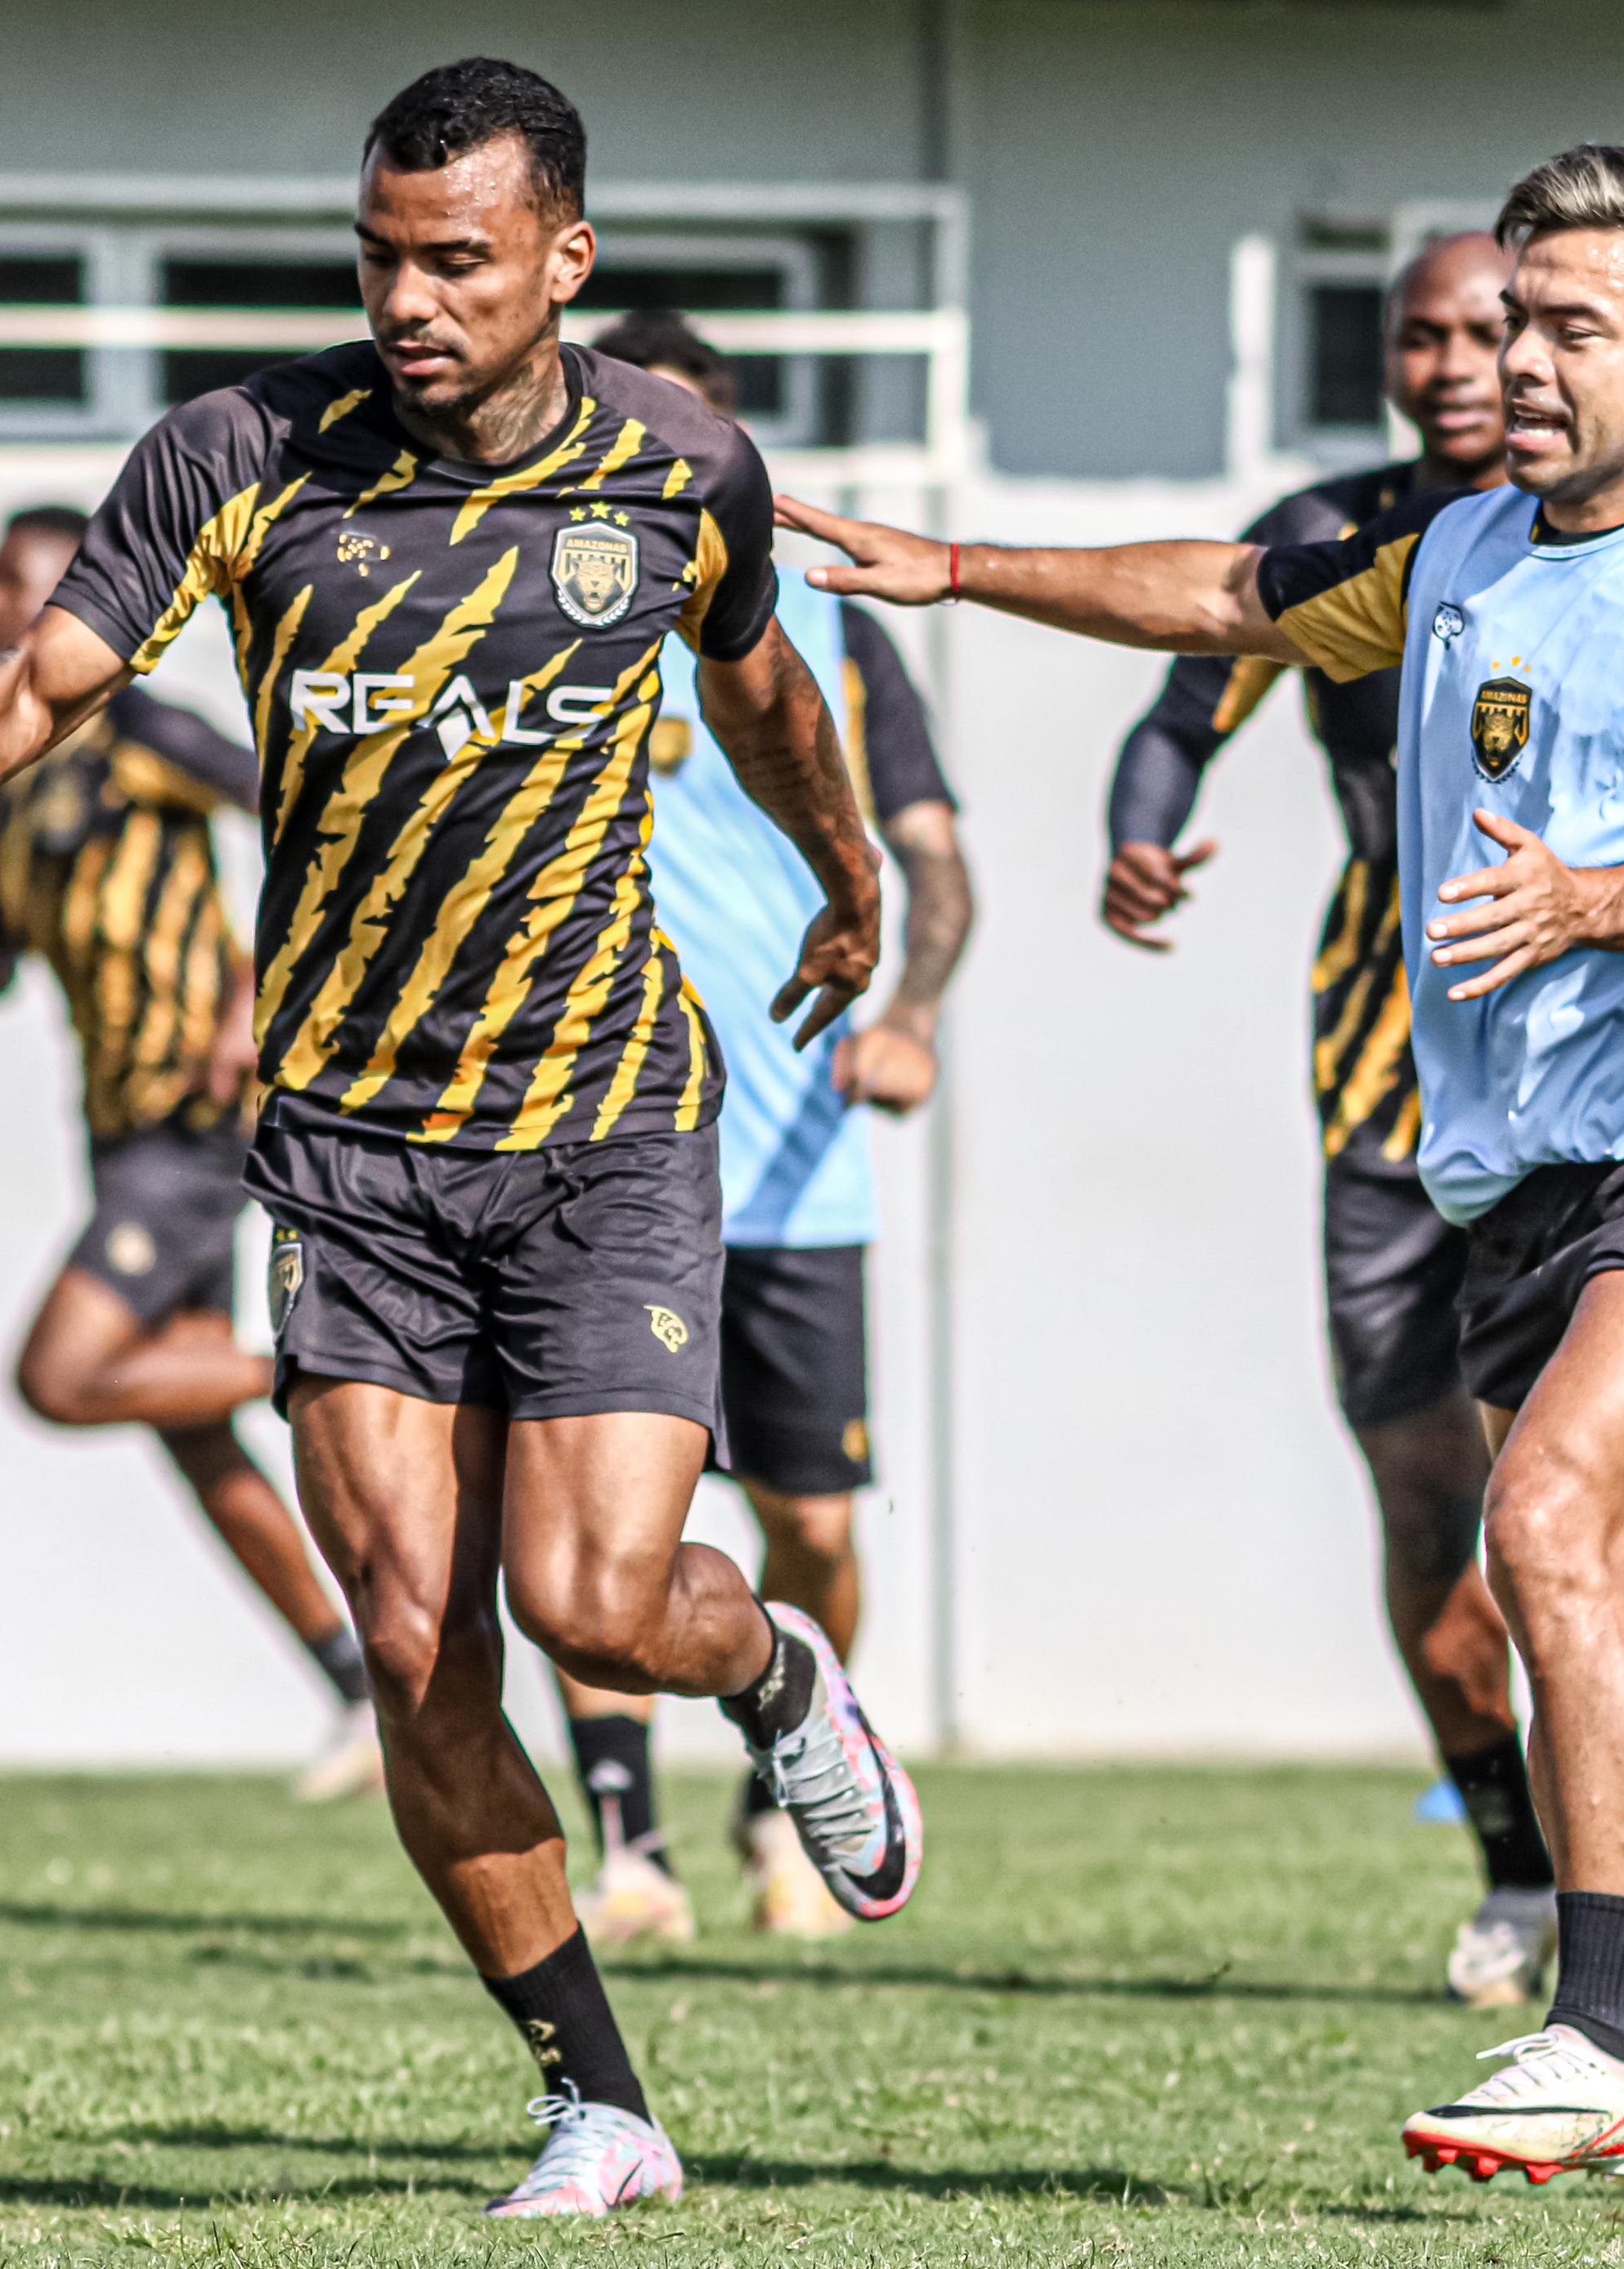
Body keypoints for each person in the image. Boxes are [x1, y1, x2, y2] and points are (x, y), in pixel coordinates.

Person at [0, 60, 922, 2222]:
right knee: (423, 1638)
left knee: (600, 1605)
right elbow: (59, 671)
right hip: (349, 1141)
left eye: (457, 258)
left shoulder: (678, 457)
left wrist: (847, 877)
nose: (412, 296)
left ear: (562, 260)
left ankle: (780, 1665)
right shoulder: (244, 452)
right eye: (381, 255)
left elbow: (768, 690)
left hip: (606, 1116)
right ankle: (599, 2103)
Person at [783, 143, 1624, 2211]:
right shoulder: (1462, 546)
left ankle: (1599, 2034)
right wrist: (950, 570)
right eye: (1502, 322)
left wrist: (1588, 900)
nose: (1514, 359)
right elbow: (1224, 595)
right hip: (1523, 1183)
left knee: (1540, 1522)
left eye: (1567, 328)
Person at [1100, 234, 1561, 2006]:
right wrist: (1139, 828)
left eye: (1484, 331)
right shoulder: (1337, 528)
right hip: (1378, 1082)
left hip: (1567, 1091)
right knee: (1425, 1510)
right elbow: (1183, 701)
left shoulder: (1601, 527)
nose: (1449, 363)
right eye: (1417, 335)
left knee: (1571, 1513)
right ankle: (1509, 1863)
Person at [543, 310, 975, 1950]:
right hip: (588, 1138)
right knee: (592, 1516)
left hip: (795, 1152)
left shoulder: (829, 640)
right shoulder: (540, 605)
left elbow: (936, 868)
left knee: (807, 1522)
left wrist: (915, 1011)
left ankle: (786, 1782)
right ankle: (626, 1849)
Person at [0, 505, 379, 1803]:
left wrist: (255, 1001)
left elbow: (300, 810)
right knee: (183, 1425)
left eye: (20, 583)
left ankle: (348, 1372)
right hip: (115, 1124)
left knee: (66, 1371)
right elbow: (0, 956)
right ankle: (367, 1687)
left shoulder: (132, 728)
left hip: (199, 1122)